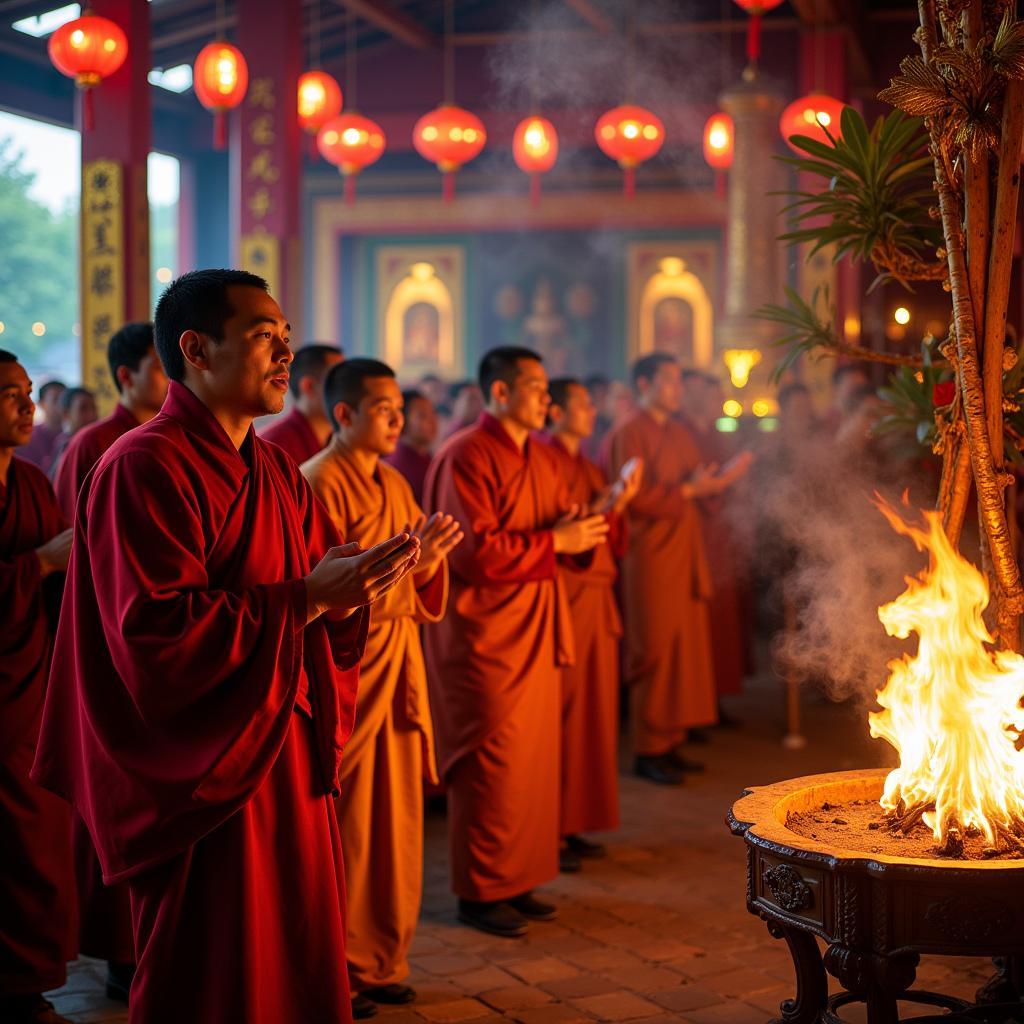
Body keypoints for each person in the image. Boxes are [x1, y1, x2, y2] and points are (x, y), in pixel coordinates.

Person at [31, 269, 421, 1024]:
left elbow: (311, 592)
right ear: (196, 350)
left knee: (296, 946)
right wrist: (310, 598)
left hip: (281, 740)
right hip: (205, 768)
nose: (285, 353)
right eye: (263, 337)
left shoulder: (273, 467)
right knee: (210, 967)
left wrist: (345, 591)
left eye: (284, 337)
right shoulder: (142, 466)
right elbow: (154, 636)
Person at [423, 346, 608, 938]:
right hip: (486, 635)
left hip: (535, 623)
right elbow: (474, 551)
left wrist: (583, 531)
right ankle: (480, 891)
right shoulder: (465, 455)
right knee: (491, 762)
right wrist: (558, 541)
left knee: (530, 763)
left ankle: (517, 879)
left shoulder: (543, 458)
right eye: (534, 387)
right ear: (499, 394)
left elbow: (563, 529)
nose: (546, 399)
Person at [302, 359, 461, 1021]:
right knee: (348, 828)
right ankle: (337, 964)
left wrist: (427, 570)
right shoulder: (314, 483)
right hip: (350, 672)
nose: (401, 419)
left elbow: (416, 582)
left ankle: (383, 959)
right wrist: (412, 570)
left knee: (396, 823)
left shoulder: (394, 480)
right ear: (344, 415)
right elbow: (329, 593)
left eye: (401, 408)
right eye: (386, 408)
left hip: (398, 669)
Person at [51, 323, 168, 998]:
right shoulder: (97, 446)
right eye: (158, 368)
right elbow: (74, 556)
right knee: (119, 808)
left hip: (167, 653)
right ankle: (123, 955)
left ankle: (153, 947)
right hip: (115, 645)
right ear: (126, 376)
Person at [606, 353, 750, 785]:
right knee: (654, 647)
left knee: (683, 648)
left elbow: (696, 480)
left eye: (677, 381)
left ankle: (670, 742)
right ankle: (648, 748)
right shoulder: (628, 433)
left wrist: (717, 483)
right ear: (644, 385)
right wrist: (692, 489)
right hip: (649, 555)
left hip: (684, 550)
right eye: (668, 381)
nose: (677, 389)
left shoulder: (679, 432)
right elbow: (630, 497)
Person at [0, 351, 76, 1024]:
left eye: (27, 393)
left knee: (36, 837)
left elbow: (62, 576)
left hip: (28, 684)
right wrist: (36, 565)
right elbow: (48, 562)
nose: (28, 406)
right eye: (10, 395)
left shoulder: (31, 481)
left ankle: (26, 983)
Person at [540, 378, 641, 869]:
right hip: (567, 597)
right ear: (553, 411)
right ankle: (549, 826)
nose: (591, 409)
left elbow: (605, 533)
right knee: (564, 714)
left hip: (596, 596)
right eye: (582, 403)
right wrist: (609, 503)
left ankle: (574, 821)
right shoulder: (546, 460)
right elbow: (564, 530)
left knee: (592, 718)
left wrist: (616, 502)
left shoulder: (584, 462)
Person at [679, 370, 751, 719]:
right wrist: (727, 479)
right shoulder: (682, 434)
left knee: (721, 621)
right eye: (712, 397)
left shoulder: (714, 433)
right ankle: (696, 703)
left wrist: (735, 483)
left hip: (720, 535)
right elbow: (696, 487)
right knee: (699, 623)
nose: (717, 403)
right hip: (695, 538)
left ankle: (715, 700)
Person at [54, 323, 167, 522]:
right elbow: (70, 529)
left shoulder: (172, 436)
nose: (171, 377)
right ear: (126, 376)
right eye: (160, 367)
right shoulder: (91, 442)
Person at [261, 342, 344, 463]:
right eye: (339, 381)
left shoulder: (341, 443)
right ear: (309, 386)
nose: (348, 390)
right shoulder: (273, 447)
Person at [384, 388, 437, 505]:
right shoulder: (396, 465)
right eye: (423, 416)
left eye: (433, 413)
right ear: (402, 419)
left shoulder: (426, 456)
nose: (433, 421)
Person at [16, 380, 65, 473]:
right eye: (56, 399)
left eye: (63, 400)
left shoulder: (72, 437)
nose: (61, 405)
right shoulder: (26, 437)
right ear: (41, 403)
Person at [49, 386, 98, 479]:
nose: (92, 415)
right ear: (66, 413)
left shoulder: (92, 441)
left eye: (94, 408)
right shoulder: (65, 444)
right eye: (83, 409)